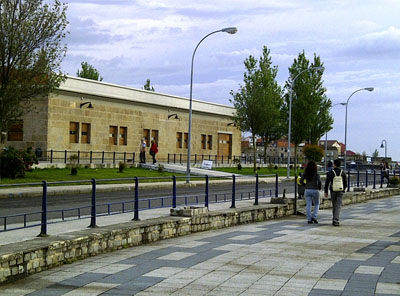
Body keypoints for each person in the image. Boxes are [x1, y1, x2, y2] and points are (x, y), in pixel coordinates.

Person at [324, 159, 347, 226]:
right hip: (340, 191)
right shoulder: (343, 173)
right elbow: (345, 183)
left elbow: (327, 183)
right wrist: (343, 190)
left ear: (334, 164)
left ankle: (335, 219)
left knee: (334, 205)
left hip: (333, 191)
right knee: (338, 205)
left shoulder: (330, 173)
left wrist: (326, 191)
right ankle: (336, 219)